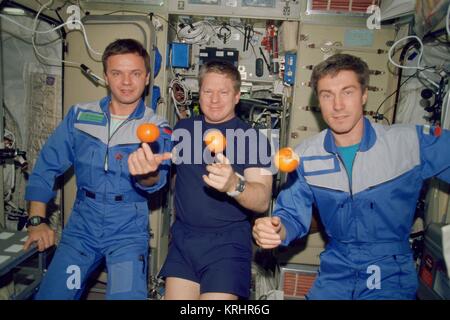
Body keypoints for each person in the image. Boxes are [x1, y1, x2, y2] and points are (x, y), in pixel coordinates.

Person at [253, 53, 450, 300]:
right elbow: (291, 216)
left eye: (347, 92)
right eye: (327, 95)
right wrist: (276, 231)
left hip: (389, 270)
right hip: (336, 269)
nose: (337, 105)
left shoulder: (408, 143)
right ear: (318, 101)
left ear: (364, 94)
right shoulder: (304, 156)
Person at [22, 39, 172, 300]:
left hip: (127, 228)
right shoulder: (80, 116)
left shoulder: (156, 126)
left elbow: (156, 180)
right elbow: (47, 164)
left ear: (147, 78)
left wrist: (147, 173)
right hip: (82, 227)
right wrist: (37, 220)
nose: (126, 82)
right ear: (105, 77)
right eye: (117, 73)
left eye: (135, 73)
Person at [159, 60, 273, 300]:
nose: (214, 99)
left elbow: (262, 200)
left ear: (237, 96)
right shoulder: (184, 129)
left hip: (228, 245)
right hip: (184, 240)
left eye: (223, 92)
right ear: (198, 94)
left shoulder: (253, 140)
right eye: (207, 91)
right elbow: (173, 179)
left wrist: (234, 185)